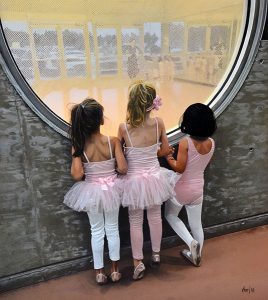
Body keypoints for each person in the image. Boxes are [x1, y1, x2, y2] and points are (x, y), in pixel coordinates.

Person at [118, 80, 179, 280]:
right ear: (152, 103)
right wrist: (166, 151)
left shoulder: (124, 128)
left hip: (134, 180)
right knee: (155, 217)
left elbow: (120, 156)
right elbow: (162, 150)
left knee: (135, 221)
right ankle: (156, 254)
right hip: (154, 177)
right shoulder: (159, 123)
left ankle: (138, 262)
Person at [64, 98, 127, 285]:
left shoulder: (79, 145)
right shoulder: (113, 141)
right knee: (113, 228)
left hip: (91, 191)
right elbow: (123, 168)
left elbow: (77, 175)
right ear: (101, 120)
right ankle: (115, 270)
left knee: (96, 231)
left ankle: (100, 272)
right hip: (112, 189)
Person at [165, 103, 216, 266]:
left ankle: (190, 243)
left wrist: (168, 158)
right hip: (197, 189)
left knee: (170, 215)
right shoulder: (211, 143)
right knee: (196, 224)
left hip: (181, 188)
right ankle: (197, 255)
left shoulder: (185, 142)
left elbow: (180, 168)